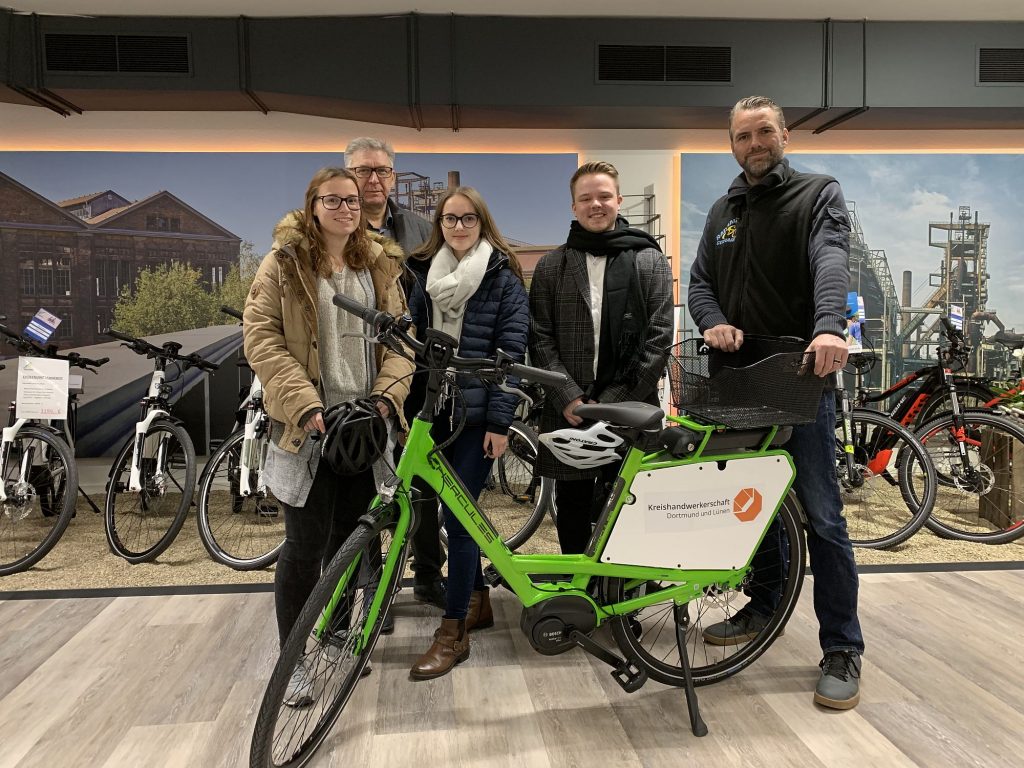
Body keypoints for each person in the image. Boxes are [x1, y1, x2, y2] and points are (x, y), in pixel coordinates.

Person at [688, 95, 864, 710]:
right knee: (751, 505)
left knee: (822, 516)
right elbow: (700, 284)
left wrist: (829, 327)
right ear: (731, 143)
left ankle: (843, 646)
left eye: (764, 132)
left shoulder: (818, 195)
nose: (754, 144)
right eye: (742, 136)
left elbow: (831, 261)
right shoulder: (722, 210)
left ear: (784, 134)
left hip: (799, 373)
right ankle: (764, 606)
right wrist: (712, 322)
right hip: (735, 378)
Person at [243, 166, 413, 704]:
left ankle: (338, 635)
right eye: (333, 200)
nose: (345, 208)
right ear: (312, 204)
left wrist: (386, 399)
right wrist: (308, 407)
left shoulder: (381, 264)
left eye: (352, 201)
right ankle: (293, 661)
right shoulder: (283, 264)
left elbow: (401, 343)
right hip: (308, 430)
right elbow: (261, 338)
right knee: (303, 548)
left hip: (364, 430)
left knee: (352, 544)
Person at [406, 186, 529, 680]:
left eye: (468, 219)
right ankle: (478, 602)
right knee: (447, 513)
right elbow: (410, 346)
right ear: (439, 223)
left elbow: (512, 352)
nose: (458, 227)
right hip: (432, 415)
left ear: (483, 222)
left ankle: (452, 631)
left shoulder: (502, 277)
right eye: (449, 218)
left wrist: (501, 422)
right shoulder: (423, 273)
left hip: (478, 418)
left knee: (458, 519)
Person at [529, 161, 673, 554]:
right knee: (572, 506)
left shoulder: (649, 260)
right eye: (586, 198)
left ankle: (622, 599)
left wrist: (609, 405)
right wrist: (570, 398)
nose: (596, 204)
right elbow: (539, 338)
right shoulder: (551, 266)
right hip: (567, 408)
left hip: (632, 409)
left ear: (619, 200)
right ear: (573, 207)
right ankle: (578, 594)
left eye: (604, 196)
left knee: (629, 504)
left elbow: (659, 338)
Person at [345, 136, 446, 610]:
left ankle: (428, 575)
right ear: (348, 174)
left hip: (415, 372)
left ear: (393, 176)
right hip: (355, 374)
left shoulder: (422, 231)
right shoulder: (333, 229)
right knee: (363, 488)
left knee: (421, 482)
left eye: (382, 170)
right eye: (364, 170)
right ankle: (372, 591)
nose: (374, 179)